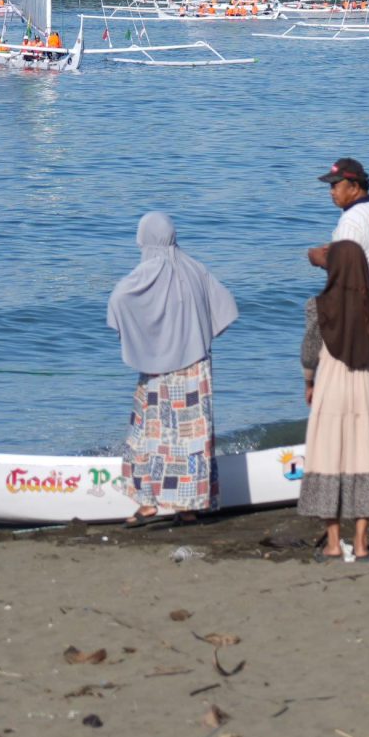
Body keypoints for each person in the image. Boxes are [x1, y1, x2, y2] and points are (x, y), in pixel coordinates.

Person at [107, 213, 239, 520]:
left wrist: (147, 335)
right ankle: (188, 507)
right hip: (195, 367)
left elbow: (118, 299)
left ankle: (148, 501)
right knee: (191, 439)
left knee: (151, 433)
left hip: (158, 372)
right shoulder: (196, 268)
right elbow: (226, 307)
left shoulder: (147, 271)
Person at [298, 239, 369, 561]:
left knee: (329, 458)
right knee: (364, 457)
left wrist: (309, 383)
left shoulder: (318, 305)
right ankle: (363, 542)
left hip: (331, 385)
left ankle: (335, 543)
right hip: (366, 384)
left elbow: (310, 353)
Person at [309, 158, 369, 283]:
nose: (331, 192)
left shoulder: (351, 220)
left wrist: (317, 258)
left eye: (335, 185)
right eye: (330, 186)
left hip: (365, 296)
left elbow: (343, 269)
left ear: (354, 187)